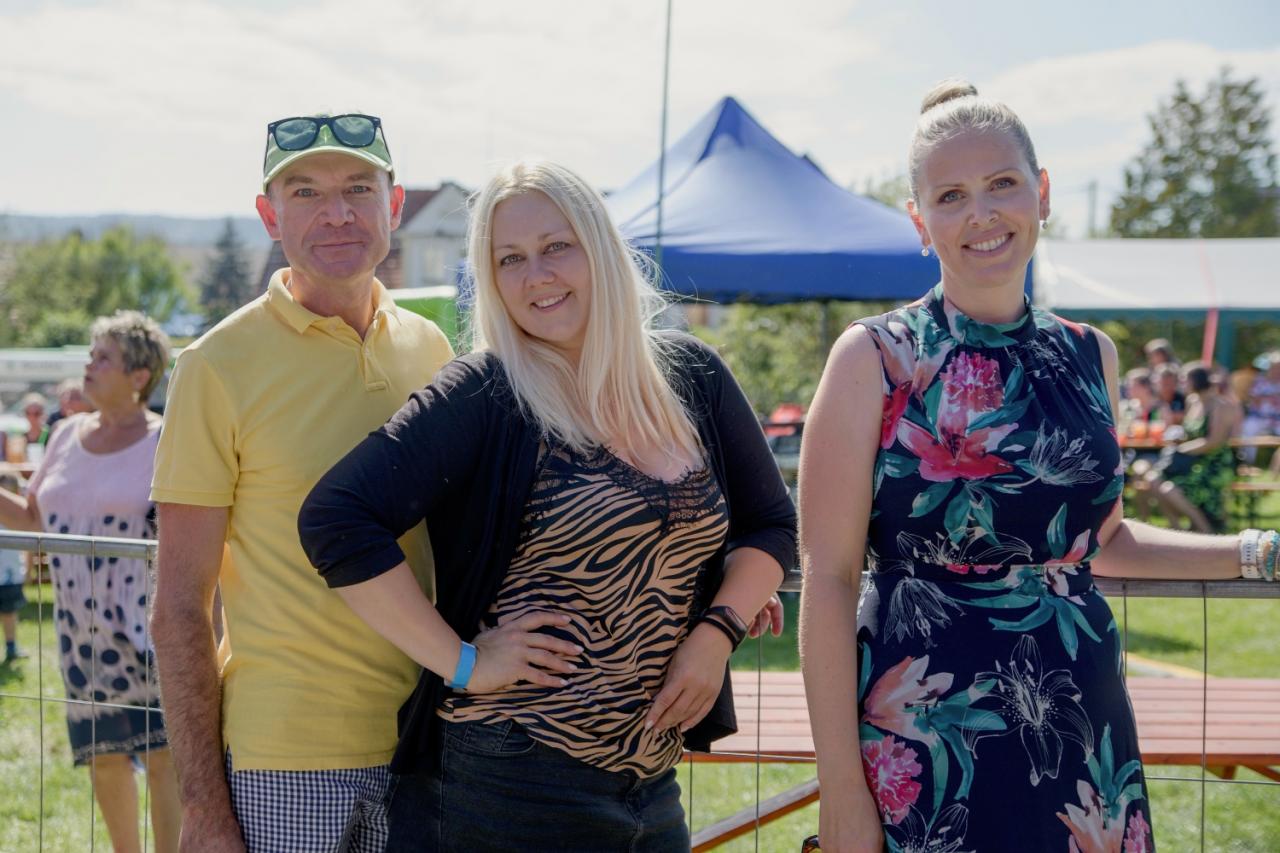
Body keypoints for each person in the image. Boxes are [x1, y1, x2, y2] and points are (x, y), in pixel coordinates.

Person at [798, 79, 1276, 852]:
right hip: (931, 743)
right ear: (919, 221)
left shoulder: (1091, 355)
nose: (981, 213)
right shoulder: (875, 358)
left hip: (1081, 726)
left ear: (1042, 192)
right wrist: (842, 790)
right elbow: (827, 577)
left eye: (1002, 184)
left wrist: (1254, 549)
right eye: (951, 196)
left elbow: (1103, 540)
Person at [298, 159, 795, 852]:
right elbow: (335, 517)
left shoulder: (692, 377)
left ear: (601, 248)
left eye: (557, 246)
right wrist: (463, 662)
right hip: (506, 780)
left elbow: (771, 526)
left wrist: (716, 633)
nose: (536, 276)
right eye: (510, 259)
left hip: (651, 782)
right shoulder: (486, 391)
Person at [149, 113, 455, 852]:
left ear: (394, 204)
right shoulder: (214, 365)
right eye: (306, 192)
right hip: (284, 763)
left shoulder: (431, 348)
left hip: (430, 747)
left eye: (358, 188)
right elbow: (181, 606)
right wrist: (204, 808)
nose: (337, 212)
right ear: (270, 216)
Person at [0, 311, 180, 853]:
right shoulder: (64, 435)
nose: (89, 364)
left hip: (148, 630)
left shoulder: (168, 439)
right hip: (79, 633)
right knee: (102, 758)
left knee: (163, 757)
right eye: (91, 354)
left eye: (104, 357)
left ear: (140, 375)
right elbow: (33, 520)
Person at [1139, 361, 1243, 532]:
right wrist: (1177, 439)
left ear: (1197, 380)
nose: (1180, 384)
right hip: (1190, 459)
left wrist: (1181, 450)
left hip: (1213, 463)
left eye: (1184, 379)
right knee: (1153, 480)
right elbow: (1189, 433)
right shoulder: (1192, 401)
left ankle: (1204, 530)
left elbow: (1214, 441)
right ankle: (1177, 530)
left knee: (1169, 489)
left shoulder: (1220, 405)